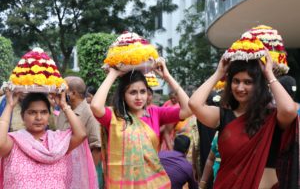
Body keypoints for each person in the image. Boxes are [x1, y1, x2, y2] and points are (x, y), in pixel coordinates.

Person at [189, 51, 298, 188]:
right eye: (236, 81)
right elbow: (194, 104)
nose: (240, 88)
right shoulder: (223, 116)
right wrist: (219, 72)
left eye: (248, 82)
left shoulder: (271, 117)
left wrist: (268, 74)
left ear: (258, 85)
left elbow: (289, 109)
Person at [90, 58, 192, 188]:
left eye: (143, 92)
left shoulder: (155, 113)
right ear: (123, 95)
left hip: (152, 183)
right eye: (133, 92)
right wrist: (113, 74)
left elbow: (188, 109)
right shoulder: (115, 117)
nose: (139, 97)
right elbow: (95, 106)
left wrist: (167, 77)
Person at [0, 91, 98, 188]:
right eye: (32, 112)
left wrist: (64, 105)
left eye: (43, 112)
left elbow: (81, 134)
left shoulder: (58, 142)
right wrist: (9, 106)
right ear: (22, 116)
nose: (38, 117)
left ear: (49, 115)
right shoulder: (15, 141)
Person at [56, 76, 101, 165]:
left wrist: (88, 174)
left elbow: (97, 148)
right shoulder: (64, 109)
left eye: (63, 90)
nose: (61, 93)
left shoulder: (90, 113)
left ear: (73, 93)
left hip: (80, 170)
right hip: (61, 166)